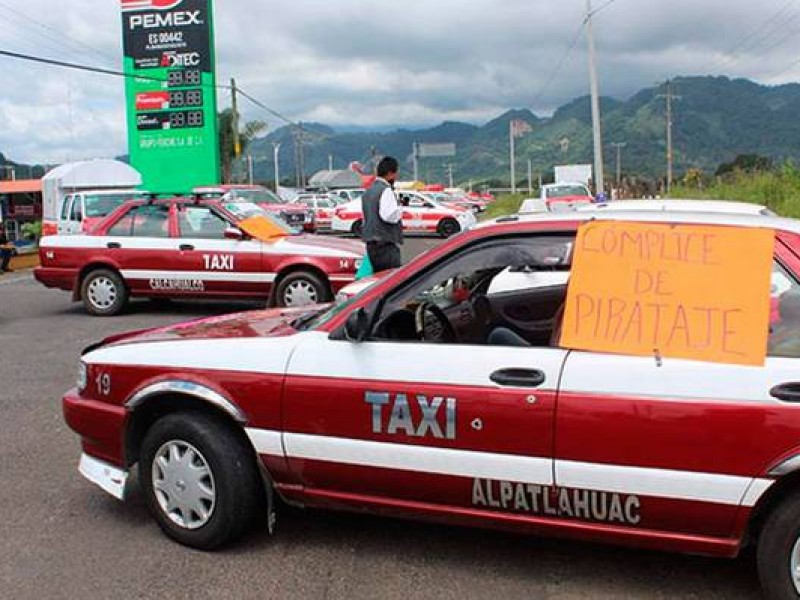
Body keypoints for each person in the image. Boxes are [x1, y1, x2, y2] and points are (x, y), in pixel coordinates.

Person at [362, 156, 403, 272]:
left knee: (378, 280)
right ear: (390, 173)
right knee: (392, 281)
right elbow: (388, 216)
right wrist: (400, 210)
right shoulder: (386, 190)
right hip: (385, 244)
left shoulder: (368, 192)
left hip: (371, 244)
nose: (396, 177)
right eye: (396, 173)